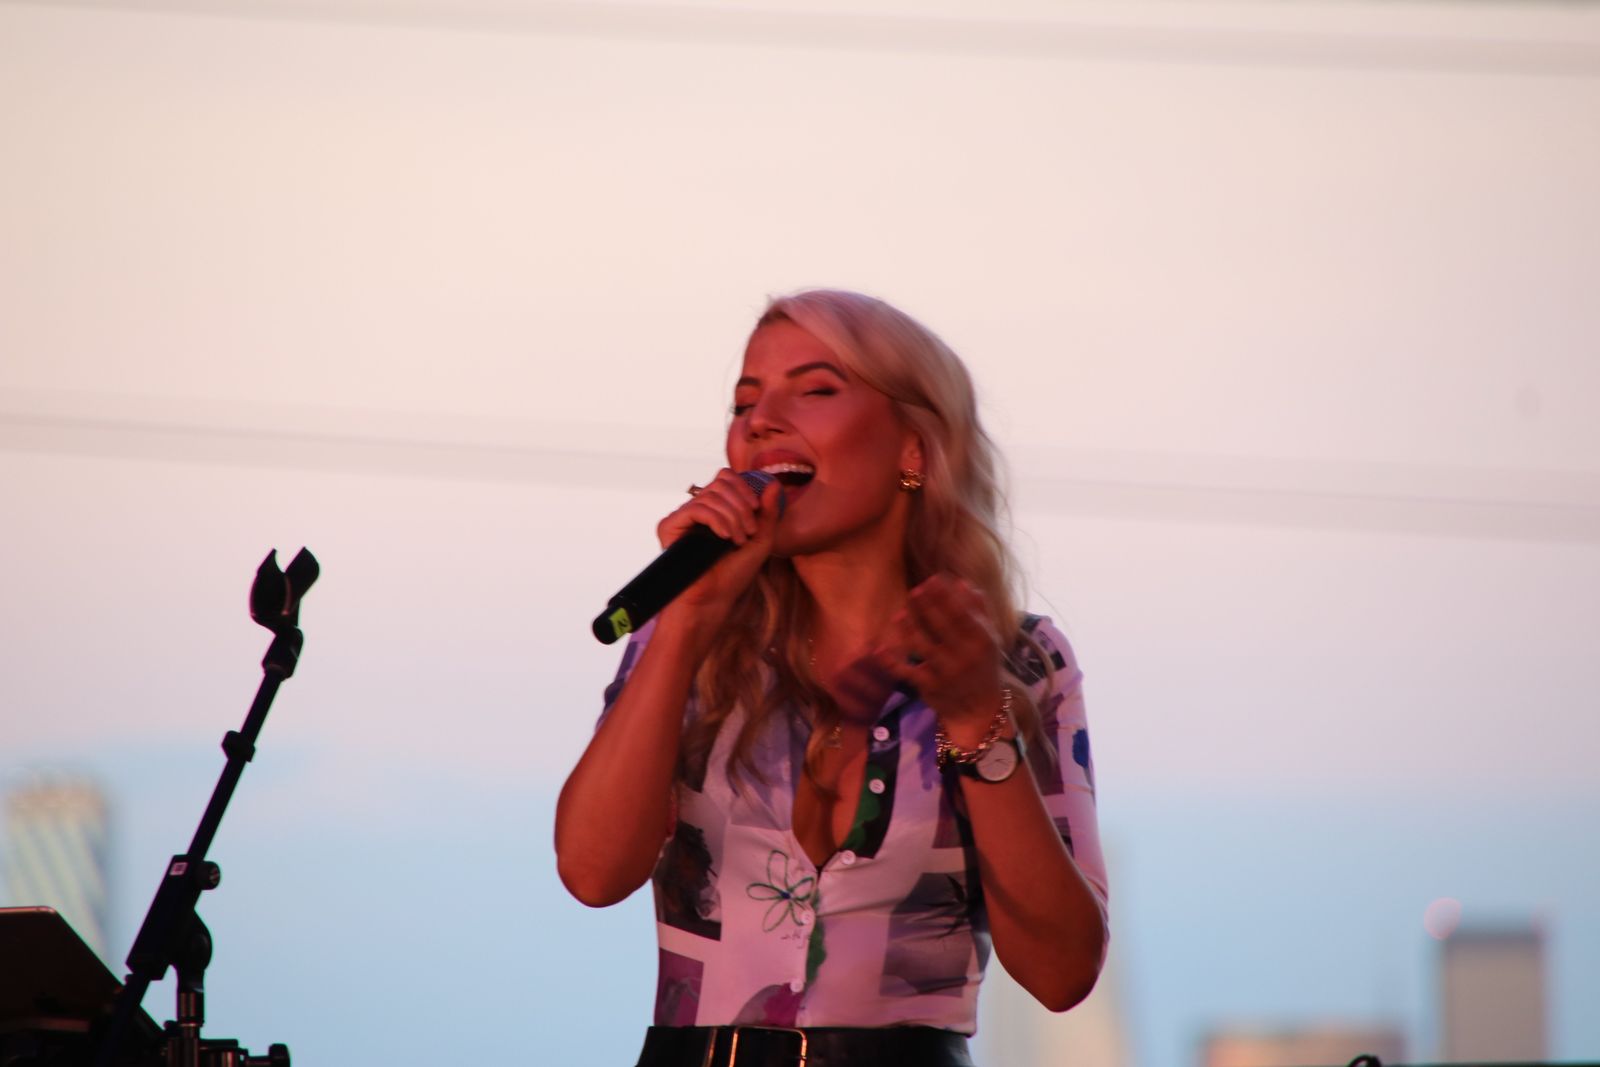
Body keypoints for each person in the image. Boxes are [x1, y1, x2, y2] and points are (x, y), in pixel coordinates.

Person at [555, 289, 1108, 1067]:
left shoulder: (1020, 658)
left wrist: (976, 721)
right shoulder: (687, 636)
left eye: (814, 389)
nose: (761, 420)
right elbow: (592, 871)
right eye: (744, 401)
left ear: (914, 449)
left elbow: (1061, 973)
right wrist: (686, 623)